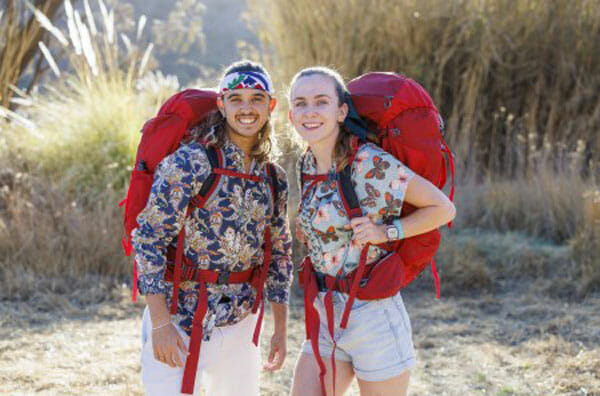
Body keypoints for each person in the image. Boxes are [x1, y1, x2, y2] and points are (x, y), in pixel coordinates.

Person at [287, 66, 456, 396]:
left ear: (341, 111)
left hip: (373, 315)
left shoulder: (368, 162)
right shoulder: (307, 164)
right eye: (300, 103)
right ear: (291, 115)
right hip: (326, 311)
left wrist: (385, 232)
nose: (310, 112)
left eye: (321, 102)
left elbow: (443, 208)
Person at [131, 60, 293, 396]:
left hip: (240, 321)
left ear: (271, 105)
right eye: (236, 99)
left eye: (256, 98)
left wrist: (280, 327)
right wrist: (160, 323)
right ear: (221, 104)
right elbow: (148, 239)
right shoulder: (191, 162)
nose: (246, 108)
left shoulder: (274, 177)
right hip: (180, 317)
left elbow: (279, 253)